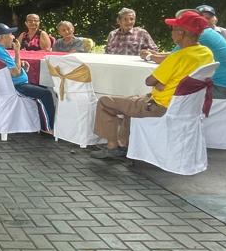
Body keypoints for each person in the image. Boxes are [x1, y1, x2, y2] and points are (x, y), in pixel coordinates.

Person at [91, 11, 214, 159]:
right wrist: (161, 83)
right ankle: (125, 144)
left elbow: (149, 81)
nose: (171, 33)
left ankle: (112, 147)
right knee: (131, 100)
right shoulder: (206, 52)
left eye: (173, 29)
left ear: (181, 33)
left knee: (105, 102)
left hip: (159, 106)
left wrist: (160, 83)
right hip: (181, 105)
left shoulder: (178, 57)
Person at [144, 10, 226, 99]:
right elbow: (173, 56)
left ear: (181, 32)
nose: (172, 32)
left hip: (219, 88)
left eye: (174, 27)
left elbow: (171, 59)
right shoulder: (204, 41)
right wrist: (157, 54)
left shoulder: (198, 38)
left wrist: (149, 56)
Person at [0, 24, 57, 129]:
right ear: (3, 37)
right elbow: (16, 73)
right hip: (15, 86)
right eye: (10, 34)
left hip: (3, 85)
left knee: (43, 88)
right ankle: (49, 128)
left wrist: (19, 62)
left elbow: (5, 66)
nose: (13, 37)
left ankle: (42, 123)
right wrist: (17, 52)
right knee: (46, 93)